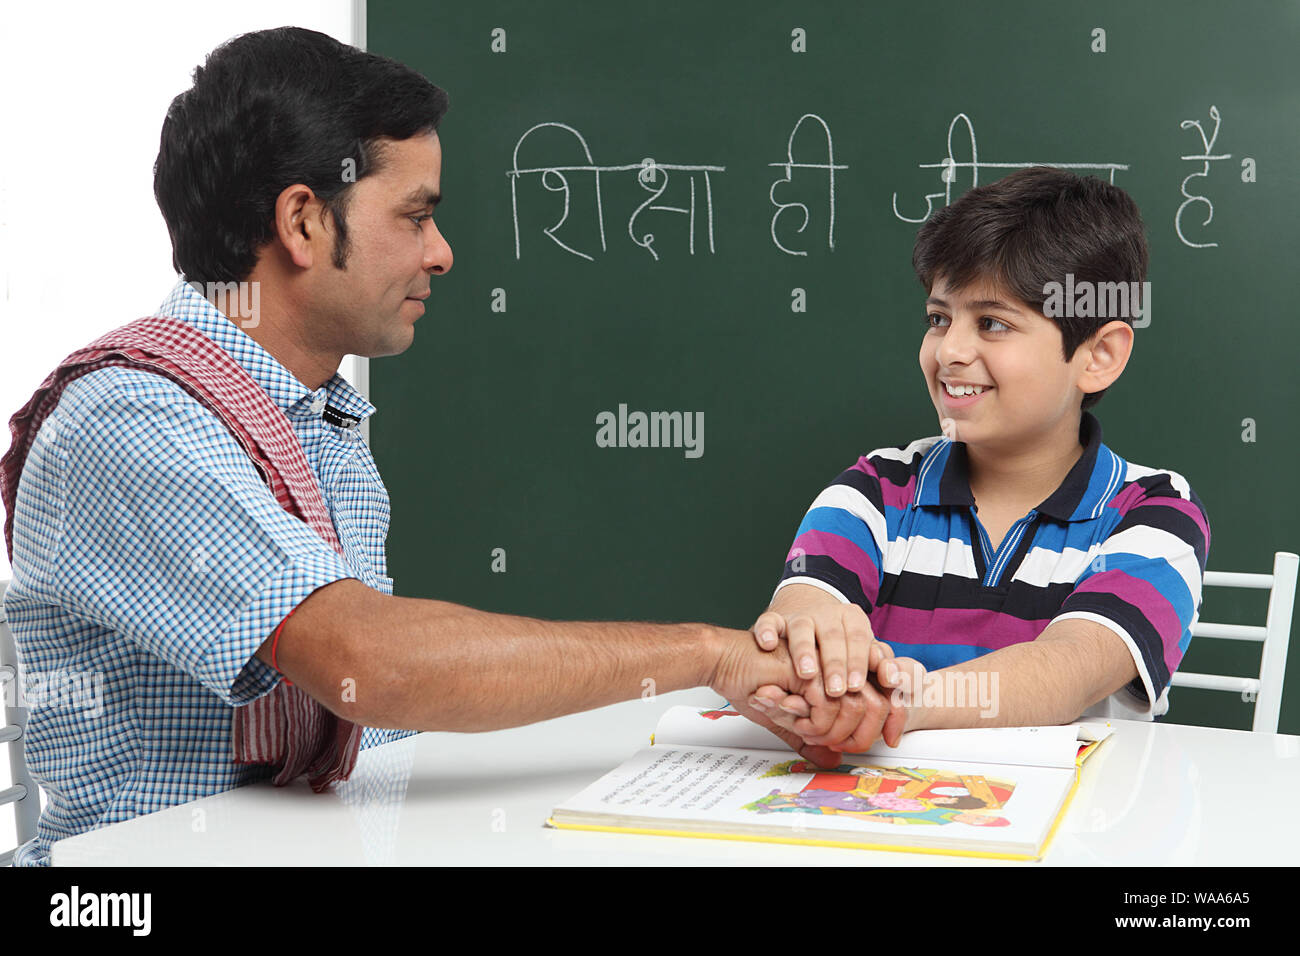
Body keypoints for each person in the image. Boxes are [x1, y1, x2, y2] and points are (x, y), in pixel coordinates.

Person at [0, 26, 890, 866]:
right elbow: (370, 665)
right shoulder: (127, 423)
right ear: (304, 222)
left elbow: (377, 738)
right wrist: (709, 653)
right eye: (415, 216)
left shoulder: (316, 421)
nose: (444, 253)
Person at [745, 166, 1211, 745]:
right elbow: (803, 610)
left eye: (992, 323)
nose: (950, 350)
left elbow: (1068, 671)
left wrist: (893, 704)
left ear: (1098, 355)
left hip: (1066, 827)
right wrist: (811, 644)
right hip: (880, 817)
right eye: (939, 318)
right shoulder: (874, 490)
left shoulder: (1156, 513)